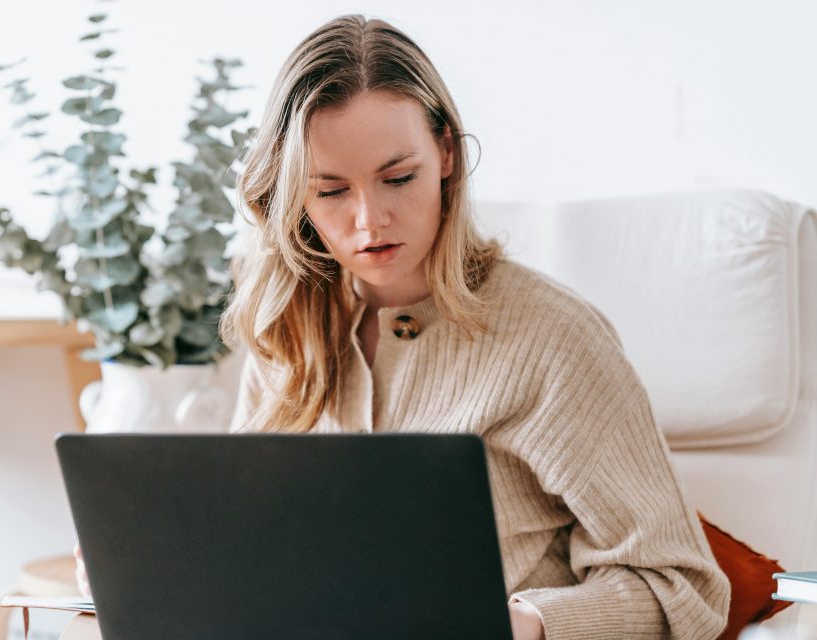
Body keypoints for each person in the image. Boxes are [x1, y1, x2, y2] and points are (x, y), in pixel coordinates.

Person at [78, 14, 731, 639]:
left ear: (445, 153)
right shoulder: (288, 332)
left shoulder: (553, 339)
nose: (369, 222)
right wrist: (137, 567)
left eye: (398, 177)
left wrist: (526, 623)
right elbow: (255, 551)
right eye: (330, 190)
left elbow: (684, 592)